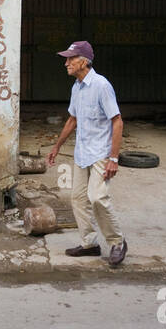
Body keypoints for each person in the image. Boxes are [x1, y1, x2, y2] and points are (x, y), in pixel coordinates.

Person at [45, 41, 128, 267]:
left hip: (101, 153)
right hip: (82, 153)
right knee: (78, 199)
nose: (66, 63)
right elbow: (73, 119)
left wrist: (113, 158)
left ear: (84, 61)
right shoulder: (77, 87)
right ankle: (90, 243)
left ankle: (117, 242)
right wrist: (57, 147)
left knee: (97, 198)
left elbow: (117, 121)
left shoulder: (101, 86)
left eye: (71, 59)